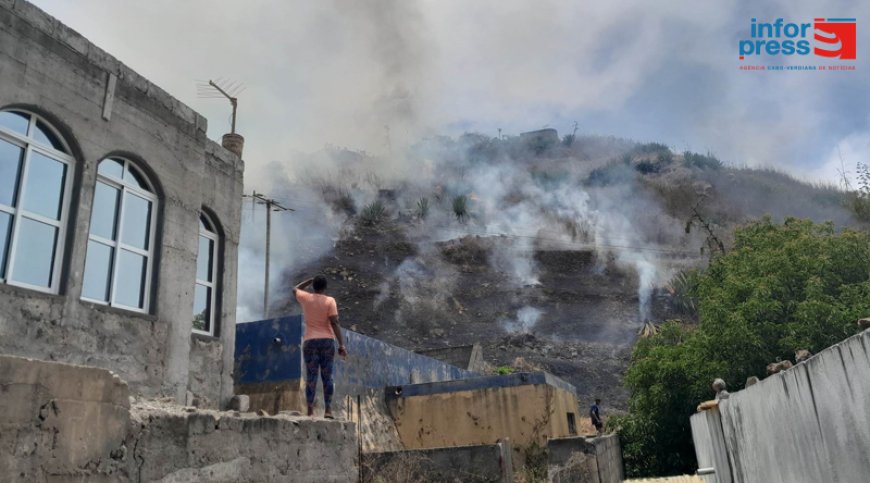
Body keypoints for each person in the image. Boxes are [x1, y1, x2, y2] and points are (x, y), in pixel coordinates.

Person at [293, 275, 348, 418]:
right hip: (326, 341)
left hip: (310, 341)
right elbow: (335, 322)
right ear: (325, 287)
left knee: (311, 377)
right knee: (327, 377)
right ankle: (328, 410)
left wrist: (308, 281)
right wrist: (341, 344)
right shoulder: (330, 301)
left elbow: (295, 289)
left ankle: (310, 410)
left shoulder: (305, 298)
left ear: (314, 286)